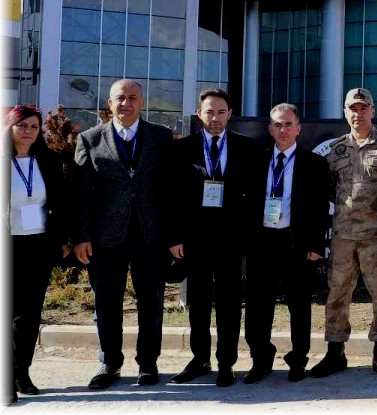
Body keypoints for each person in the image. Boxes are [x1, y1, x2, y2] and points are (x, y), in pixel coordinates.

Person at [73, 79, 174, 389]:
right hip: (105, 238)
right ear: (109, 102)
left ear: (141, 103)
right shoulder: (89, 139)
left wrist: (173, 236)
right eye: (120, 98)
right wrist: (80, 236)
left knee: (152, 302)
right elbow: (81, 193)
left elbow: (171, 191)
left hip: (150, 235)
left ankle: (148, 363)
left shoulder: (161, 137)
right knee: (106, 303)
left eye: (132, 98)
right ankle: (109, 363)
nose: (126, 103)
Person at [167, 89, 258, 387]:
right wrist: (176, 236)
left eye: (220, 112)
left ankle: (226, 363)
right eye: (209, 112)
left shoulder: (247, 148)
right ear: (199, 114)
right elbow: (173, 197)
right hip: (195, 240)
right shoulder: (182, 149)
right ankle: (199, 359)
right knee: (199, 303)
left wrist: (248, 235)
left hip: (232, 241)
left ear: (230, 114)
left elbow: (255, 197)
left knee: (230, 304)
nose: (215, 118)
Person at [311, 88, 377, 378]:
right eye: (353, 108)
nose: (358, 113)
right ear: (345, 112)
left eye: (363, 108)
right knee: (337, 295)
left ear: (372, 112)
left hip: (376, 238)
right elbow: (327, 188)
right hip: (343, 238)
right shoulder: (336, 150)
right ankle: (335, 352)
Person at [243, 103, 332, 384]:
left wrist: (317, 245)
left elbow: (321, 208)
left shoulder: (314, 163)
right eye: (277, 125)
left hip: (297, 244)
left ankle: (297, 360)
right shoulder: (255, 160)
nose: (283, 130)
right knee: (258, 305)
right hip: (262, 242)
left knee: (300, 306)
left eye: (288, 124)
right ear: (270, 129)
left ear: (298, 128)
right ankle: (260, 360)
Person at [6, 105, 71, 399]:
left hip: (37, 245)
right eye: (22, 126)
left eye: (33, 127)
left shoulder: (48, 160)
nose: (28, 132)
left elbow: (60, 202)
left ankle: (22, 372)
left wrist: (61, 238)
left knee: (29, 314)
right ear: (10, 127)